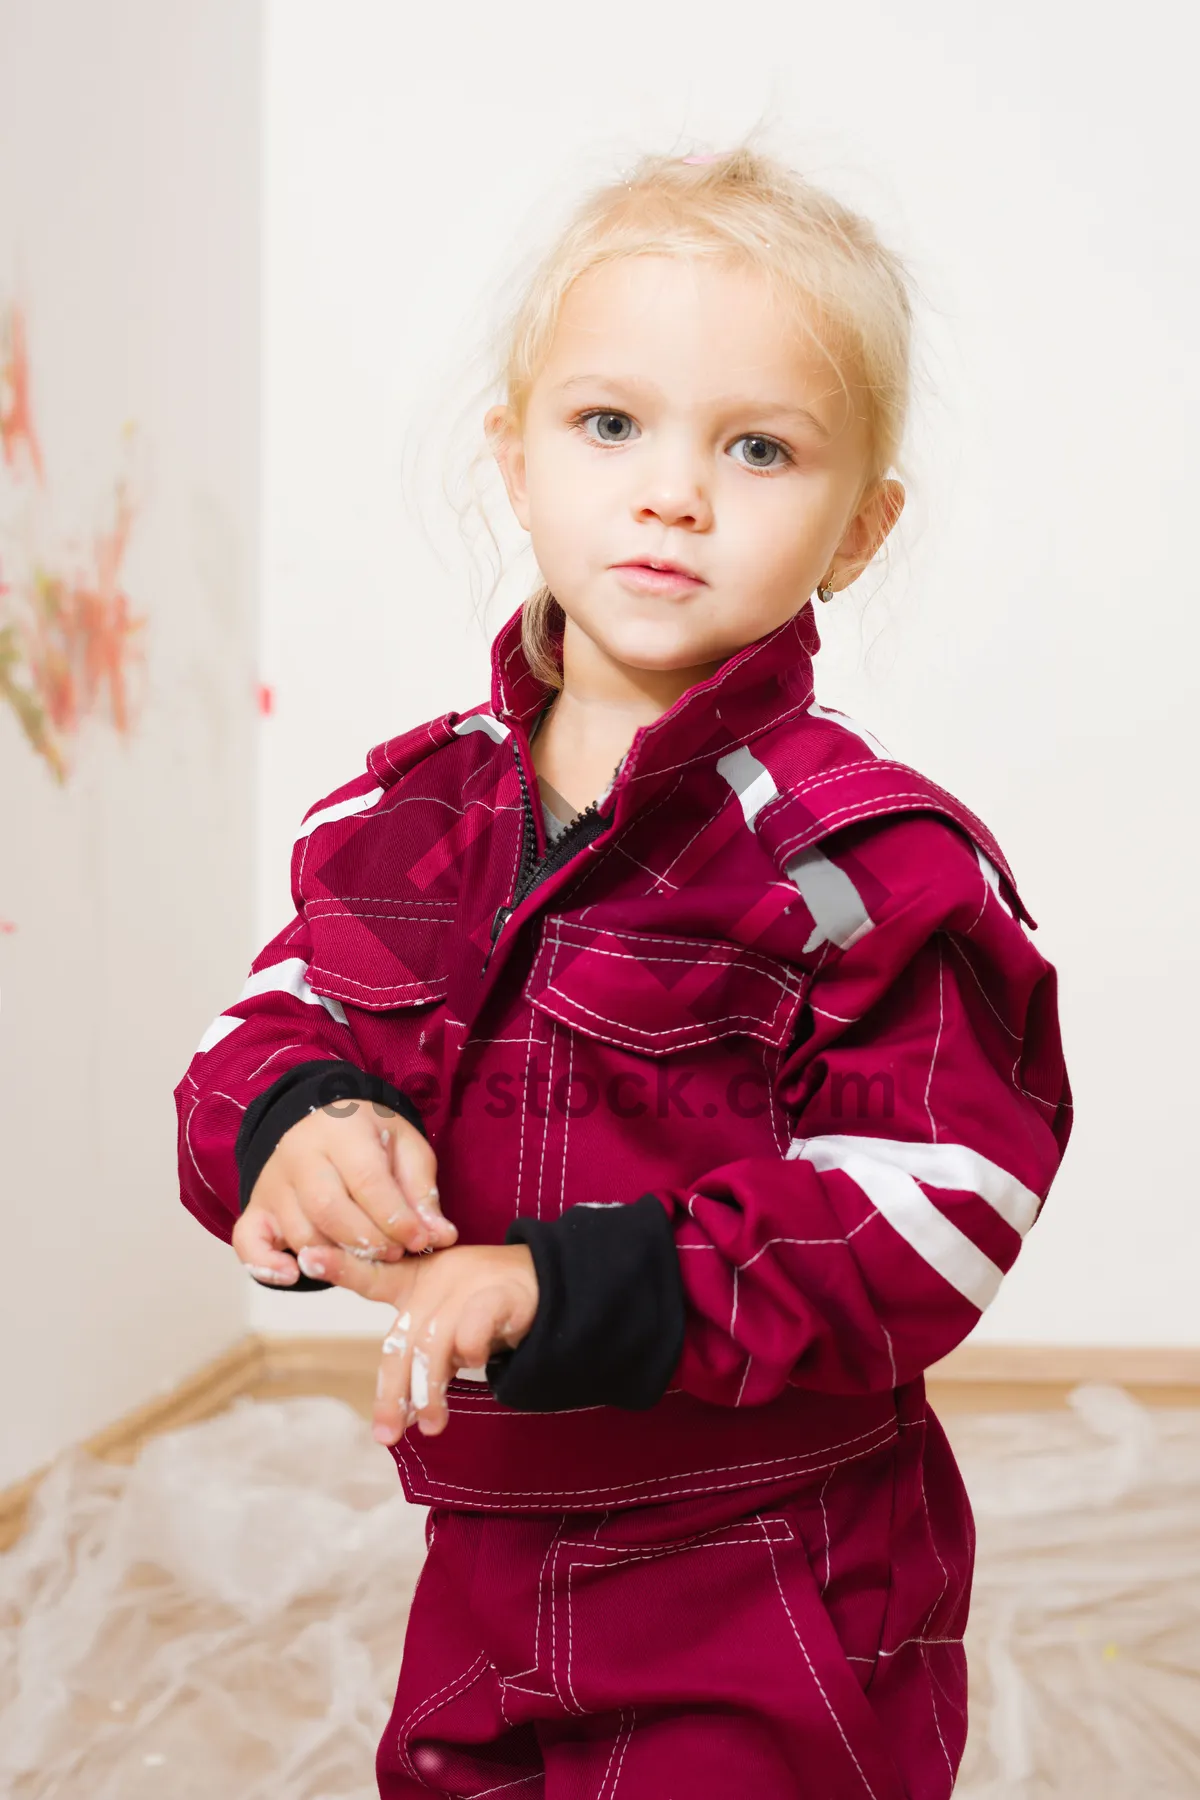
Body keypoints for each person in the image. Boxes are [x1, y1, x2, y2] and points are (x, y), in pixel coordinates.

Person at [174, 145, 1072, 1799]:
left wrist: (566, 1286)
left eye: (758, 446)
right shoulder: (404, 811)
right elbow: (270, 1017)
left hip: (767, 1562)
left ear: (859, 527)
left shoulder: (863, 861)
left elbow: (944, 1198)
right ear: (514, 458)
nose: (674, 491)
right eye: (612, 425)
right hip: (485, 1548)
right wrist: (295, 1120)